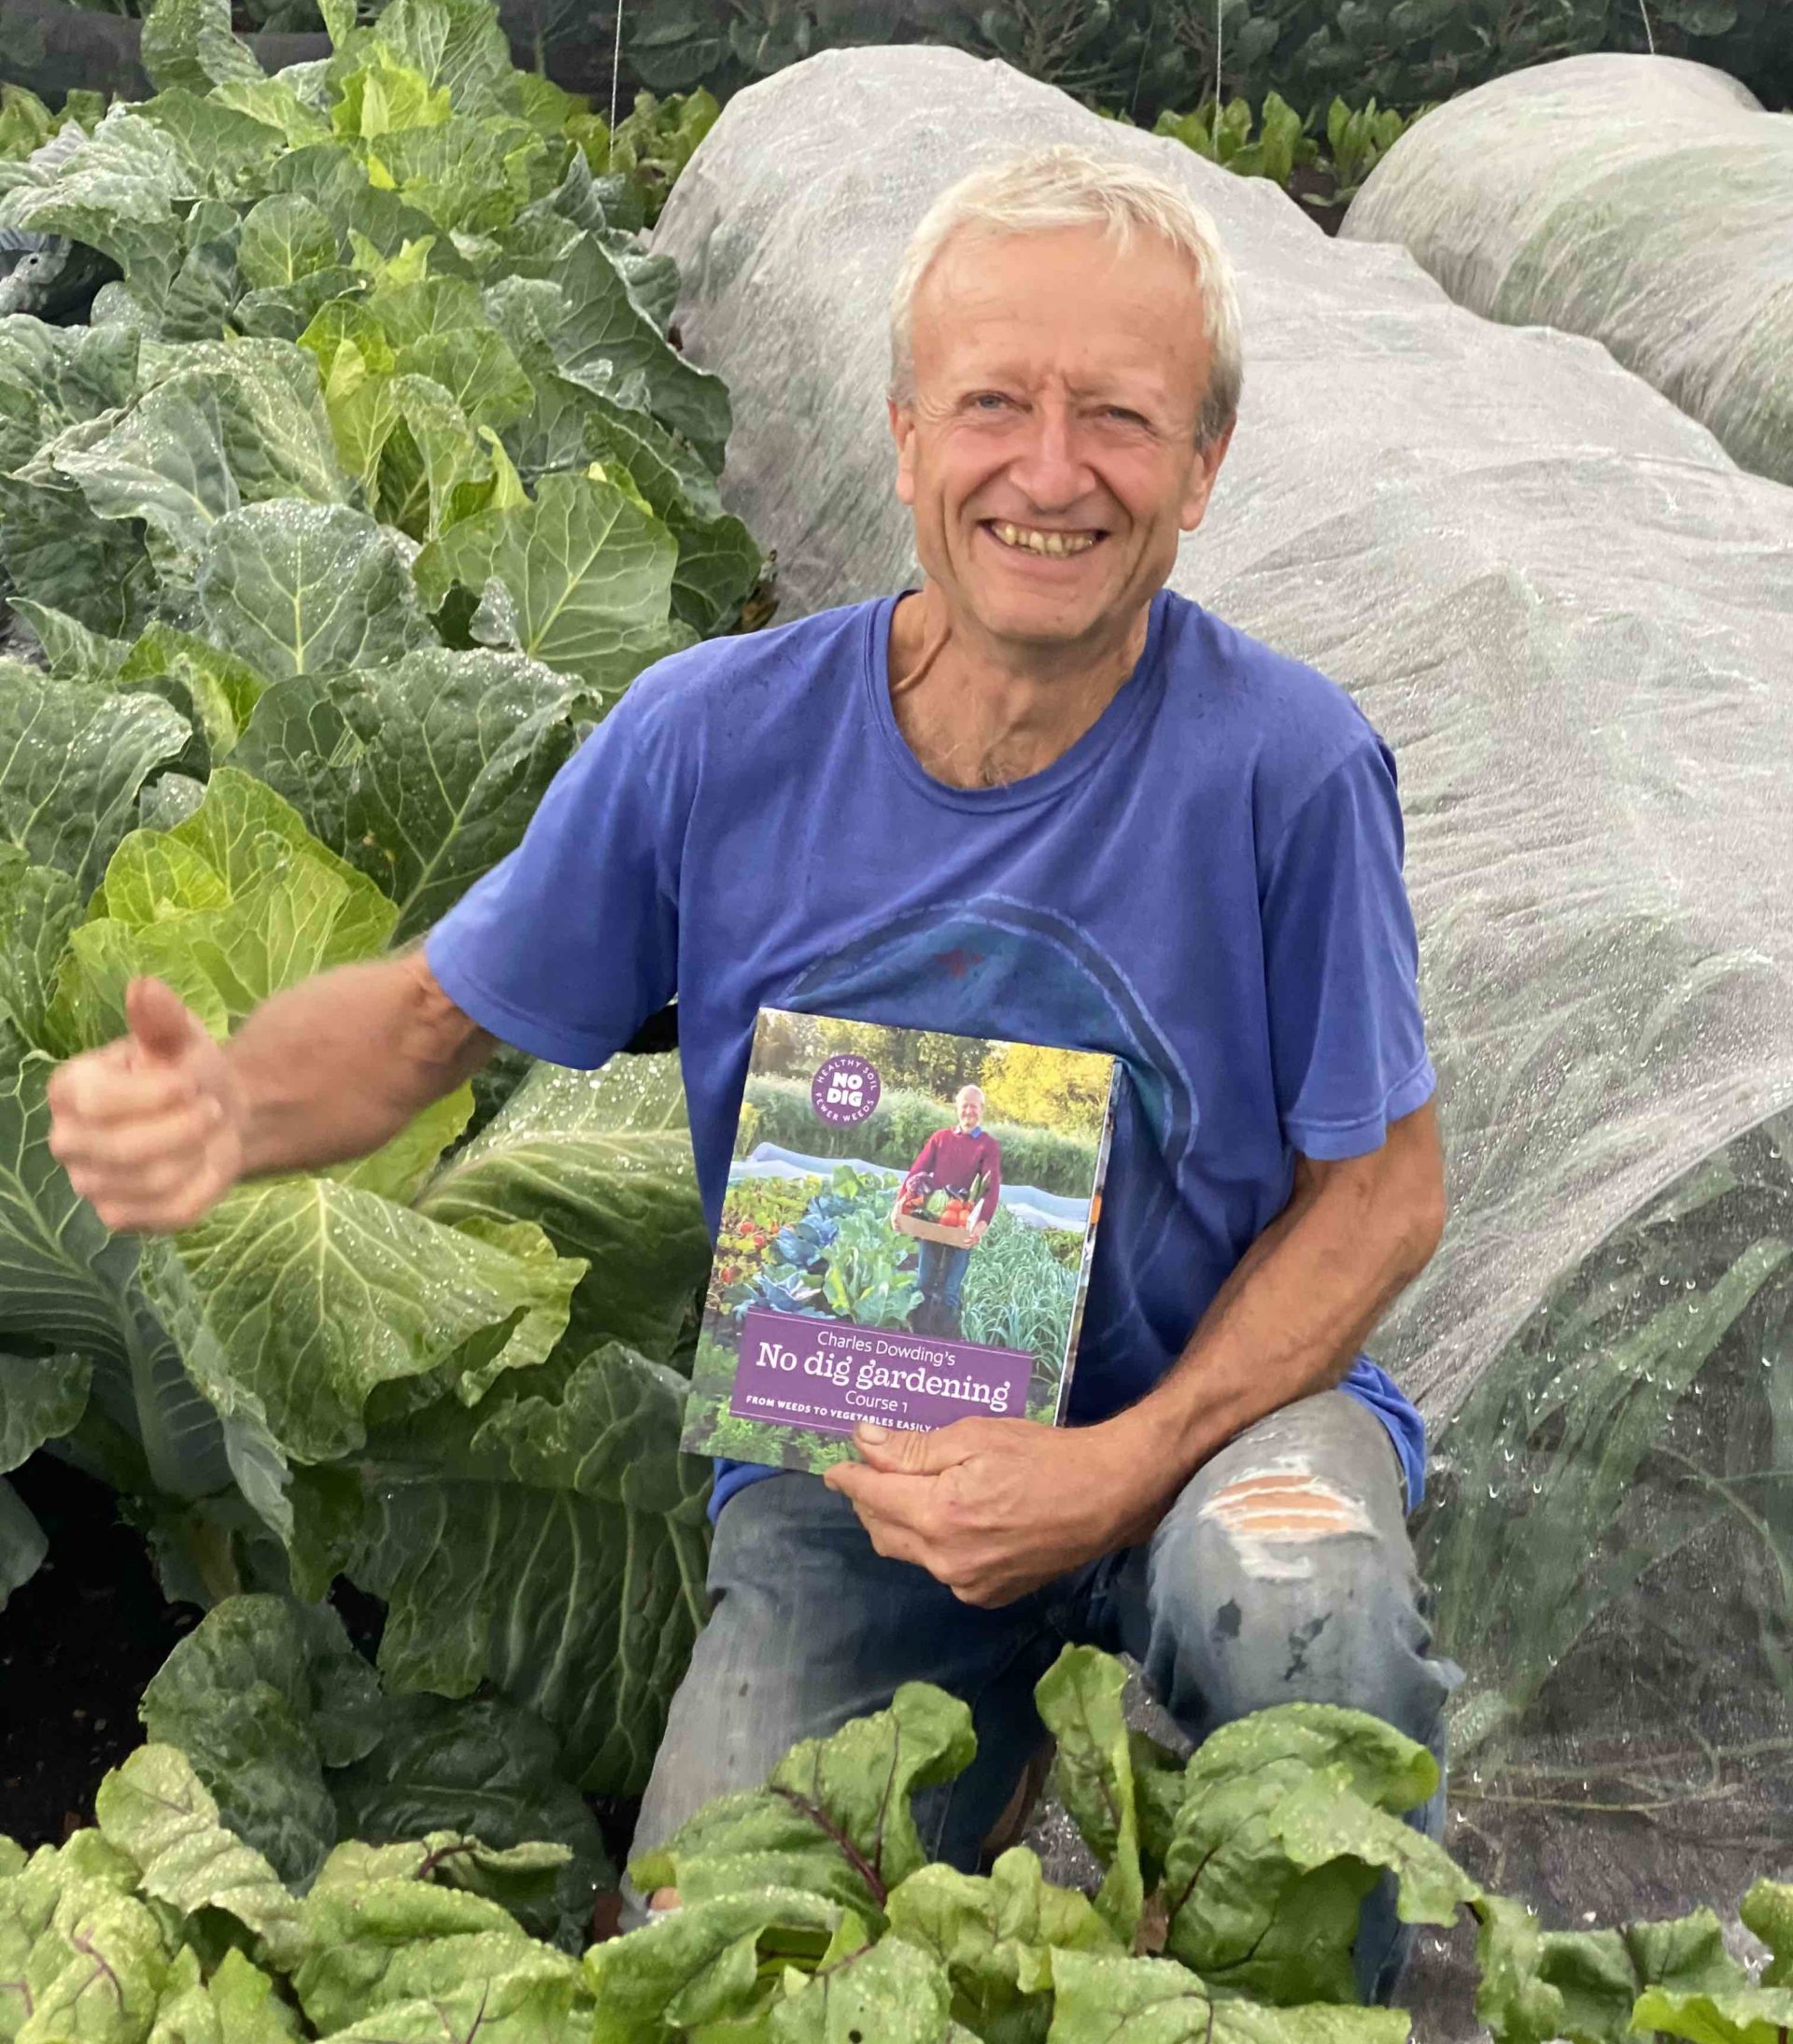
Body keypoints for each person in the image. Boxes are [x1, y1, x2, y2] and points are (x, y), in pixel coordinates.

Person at [43, 143, 1453, 2003]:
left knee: (1301, 1627)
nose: (1050, 469)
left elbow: (1388, 1188)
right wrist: (234, 1101)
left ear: (1199, 466)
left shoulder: (1290, 767)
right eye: (994, 405)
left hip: (1204, 1415)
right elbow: (421, 1017)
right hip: (858, 1462)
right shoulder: (710, 740)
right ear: (899, 434)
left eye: (1117, 415)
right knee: (721, 1947)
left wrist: (1112, 1470)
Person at [895, 1081, 1002, 1337]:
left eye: (974, 1107)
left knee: (951, 1290)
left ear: (982, 1110)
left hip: (962, 1224)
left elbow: (991, 1188)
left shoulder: (988, 1146)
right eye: (965, 1106)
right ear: (957, 1108)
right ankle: (915, 1333)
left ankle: (943, 1339)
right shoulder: (940, 1138)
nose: (969, 1112)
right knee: (923, 1282)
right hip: (932, 1220)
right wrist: (898, 1205)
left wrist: (982, 1224)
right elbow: (916, 1172)